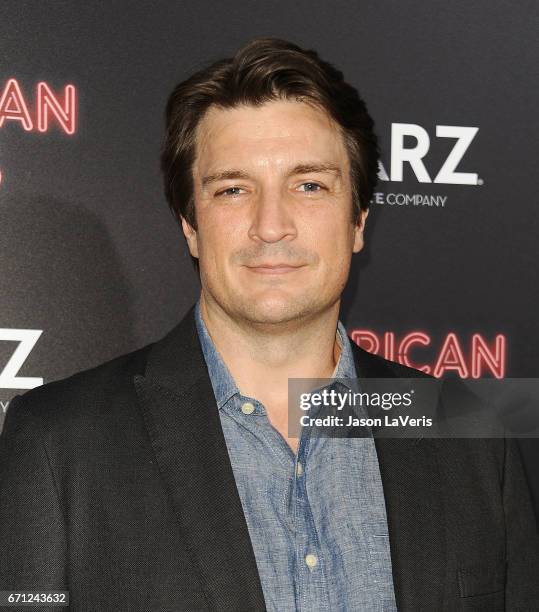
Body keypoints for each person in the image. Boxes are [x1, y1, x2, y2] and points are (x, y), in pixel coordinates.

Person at [1, 37, 538, 612]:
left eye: (309, 185)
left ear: (358, 220)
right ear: (190, 226)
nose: (271, 225)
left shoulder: (468, 428)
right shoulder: (58, 441)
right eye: (234, 190)